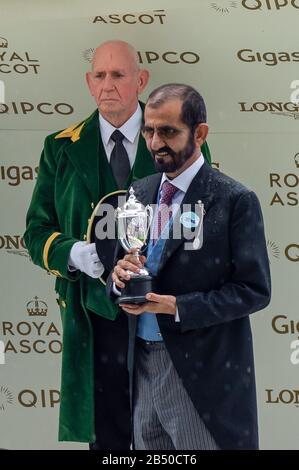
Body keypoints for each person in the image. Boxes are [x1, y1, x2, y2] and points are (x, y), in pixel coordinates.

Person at [23, 40, 213, 448]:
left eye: (119, 75)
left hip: (161, 317)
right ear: (90, 84)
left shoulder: (182, 141)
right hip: (96, 315)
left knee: (170, 438)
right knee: (106, 442)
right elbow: (36, 231)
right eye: (100, 75)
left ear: (141, 80)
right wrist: (78, 254)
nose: (108, 84)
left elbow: (200, 222)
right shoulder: (60, 148)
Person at [108, 83, 271, 450]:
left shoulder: (235, 200)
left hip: (203, 378)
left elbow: (254, 290)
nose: (154, 142)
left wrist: (177, 307)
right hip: (142, 370)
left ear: (200, 133)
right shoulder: (140, 191)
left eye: (168, 131)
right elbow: (129, 265)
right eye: (148, 130)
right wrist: (118, 278)